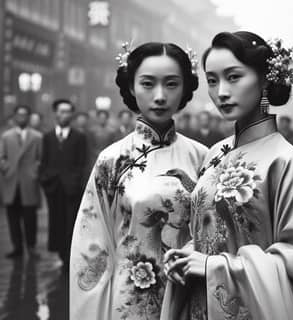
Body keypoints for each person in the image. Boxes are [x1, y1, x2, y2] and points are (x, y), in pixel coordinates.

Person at [162, 31, 293, 320]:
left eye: (233, 77)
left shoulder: (283, 160)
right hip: (199, 304)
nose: (221, 91)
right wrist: (187, 253)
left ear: (263, 80)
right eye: (212, 80)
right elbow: (208, 225)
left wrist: (214, 267)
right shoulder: (215, 153)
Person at [70, 42, 208, 320]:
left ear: (185, 89)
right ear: (131, 87)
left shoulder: (203, 157)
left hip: (189, 293)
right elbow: (92, 247)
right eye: (147, 84)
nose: (159, 96)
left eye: (171, 84)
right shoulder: (112, 160)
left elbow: (212, 232)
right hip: (130, 298)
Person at [40, 99, 87, 271]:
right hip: (53, 186)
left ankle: (69, 255)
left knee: (71, 223)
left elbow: (82, 162)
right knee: (56, 221)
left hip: (71, 187)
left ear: (71, 115)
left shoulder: (79, 137)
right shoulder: (48, 136)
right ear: (55, 113)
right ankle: (60, 252)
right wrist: (45, 179)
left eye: (67, 111)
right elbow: (44, 160)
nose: (64, 114)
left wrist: (76, 182)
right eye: (61, 111)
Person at [0, 105, 42, 258]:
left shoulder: (37, 137)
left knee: (30, 217)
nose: (22, 117)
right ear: (15, 117)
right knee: (13, 217)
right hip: (11, 181)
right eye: (19, 115)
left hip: (28, 181)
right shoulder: (6, 136)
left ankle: (31, 247)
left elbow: (41, 158)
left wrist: (34, 172)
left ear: (29, 117)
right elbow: (2, 156)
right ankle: (17, 247)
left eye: (25, 115)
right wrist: (6, 168)